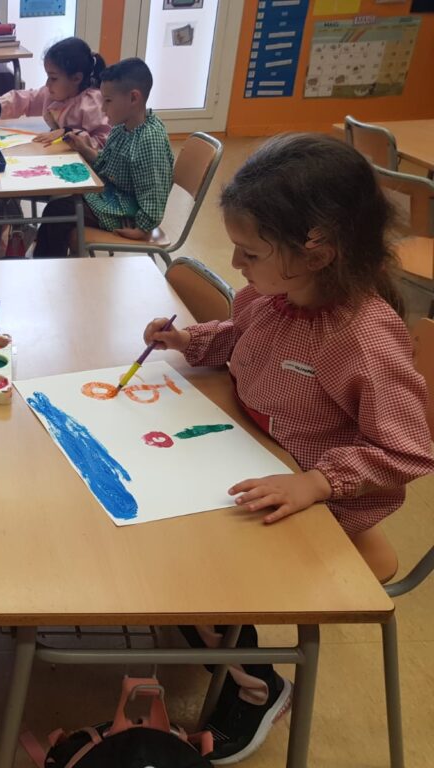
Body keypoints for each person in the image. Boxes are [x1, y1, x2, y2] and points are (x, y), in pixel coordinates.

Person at [144, 133, 434, 764]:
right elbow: (240, 338)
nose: (236, 263)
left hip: (319, 499)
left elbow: (408, 450)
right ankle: (211, 634)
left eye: (250, 252)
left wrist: (318, 482)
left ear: (317, 251)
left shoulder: (363, 338)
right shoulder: (273, 295)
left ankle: (256, 685)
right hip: (248, 452)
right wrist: (187, 342)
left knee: (186, 564)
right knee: (156, 534)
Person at [34, 57, 173, 257]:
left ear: (134, 98)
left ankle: (48, 267)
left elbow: (154, 191)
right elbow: (106, 163)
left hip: (126, 213)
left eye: (108, 101)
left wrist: (143, 228)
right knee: (59, 205)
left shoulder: (149, 140)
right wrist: (84, 149)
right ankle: (48, 261)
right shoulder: (121, 128)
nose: (103, 109)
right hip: (111, 196)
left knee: (58, 212)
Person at [0, 36, 110, 147]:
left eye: (53, 78)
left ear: (76, 79)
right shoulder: (51, 94)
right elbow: (26, 99)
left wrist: (67, 133)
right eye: (48, 77)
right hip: (59, 154)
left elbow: (102, 142)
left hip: (84, 166)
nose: (47, 84)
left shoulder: (93, 104)